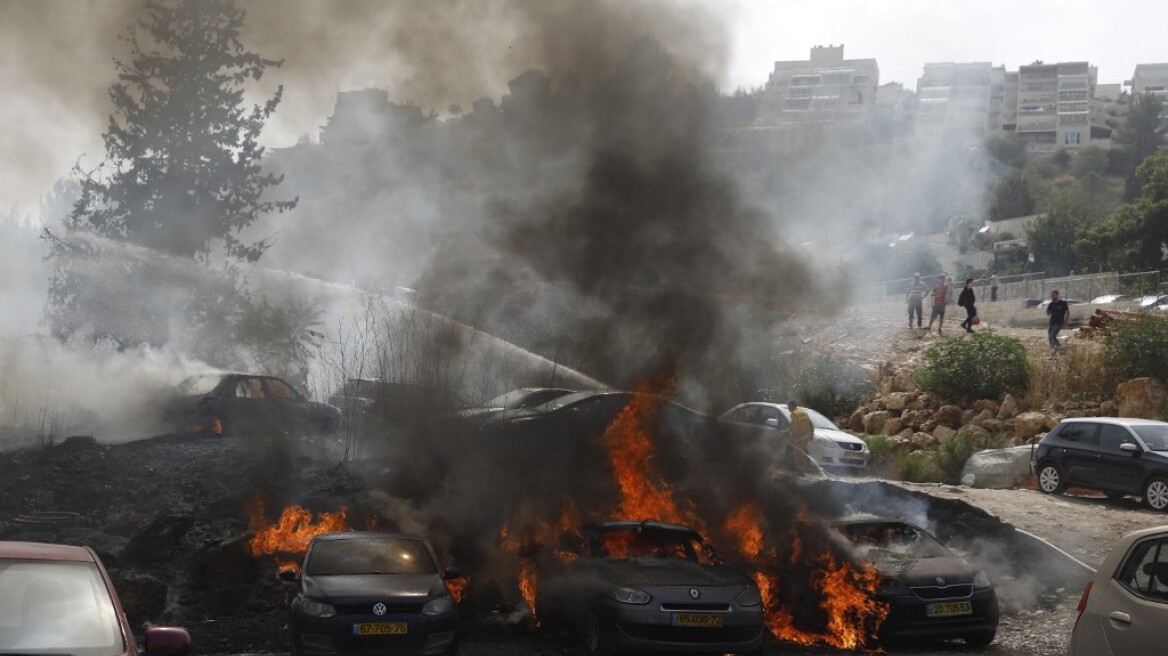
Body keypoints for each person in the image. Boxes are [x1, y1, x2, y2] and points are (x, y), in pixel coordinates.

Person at [787, 400, 813, 467]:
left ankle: (801, 472)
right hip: (807, 435)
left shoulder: (794, 413)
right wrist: (811, 435)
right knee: (802, 452)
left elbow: (794, 426)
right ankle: (806, 465)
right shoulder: (803, 412)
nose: (788, 408)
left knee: (798, 454)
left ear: (792, 406)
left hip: (799, 437)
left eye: (788, 406)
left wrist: (788, 431)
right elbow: (811, 424)